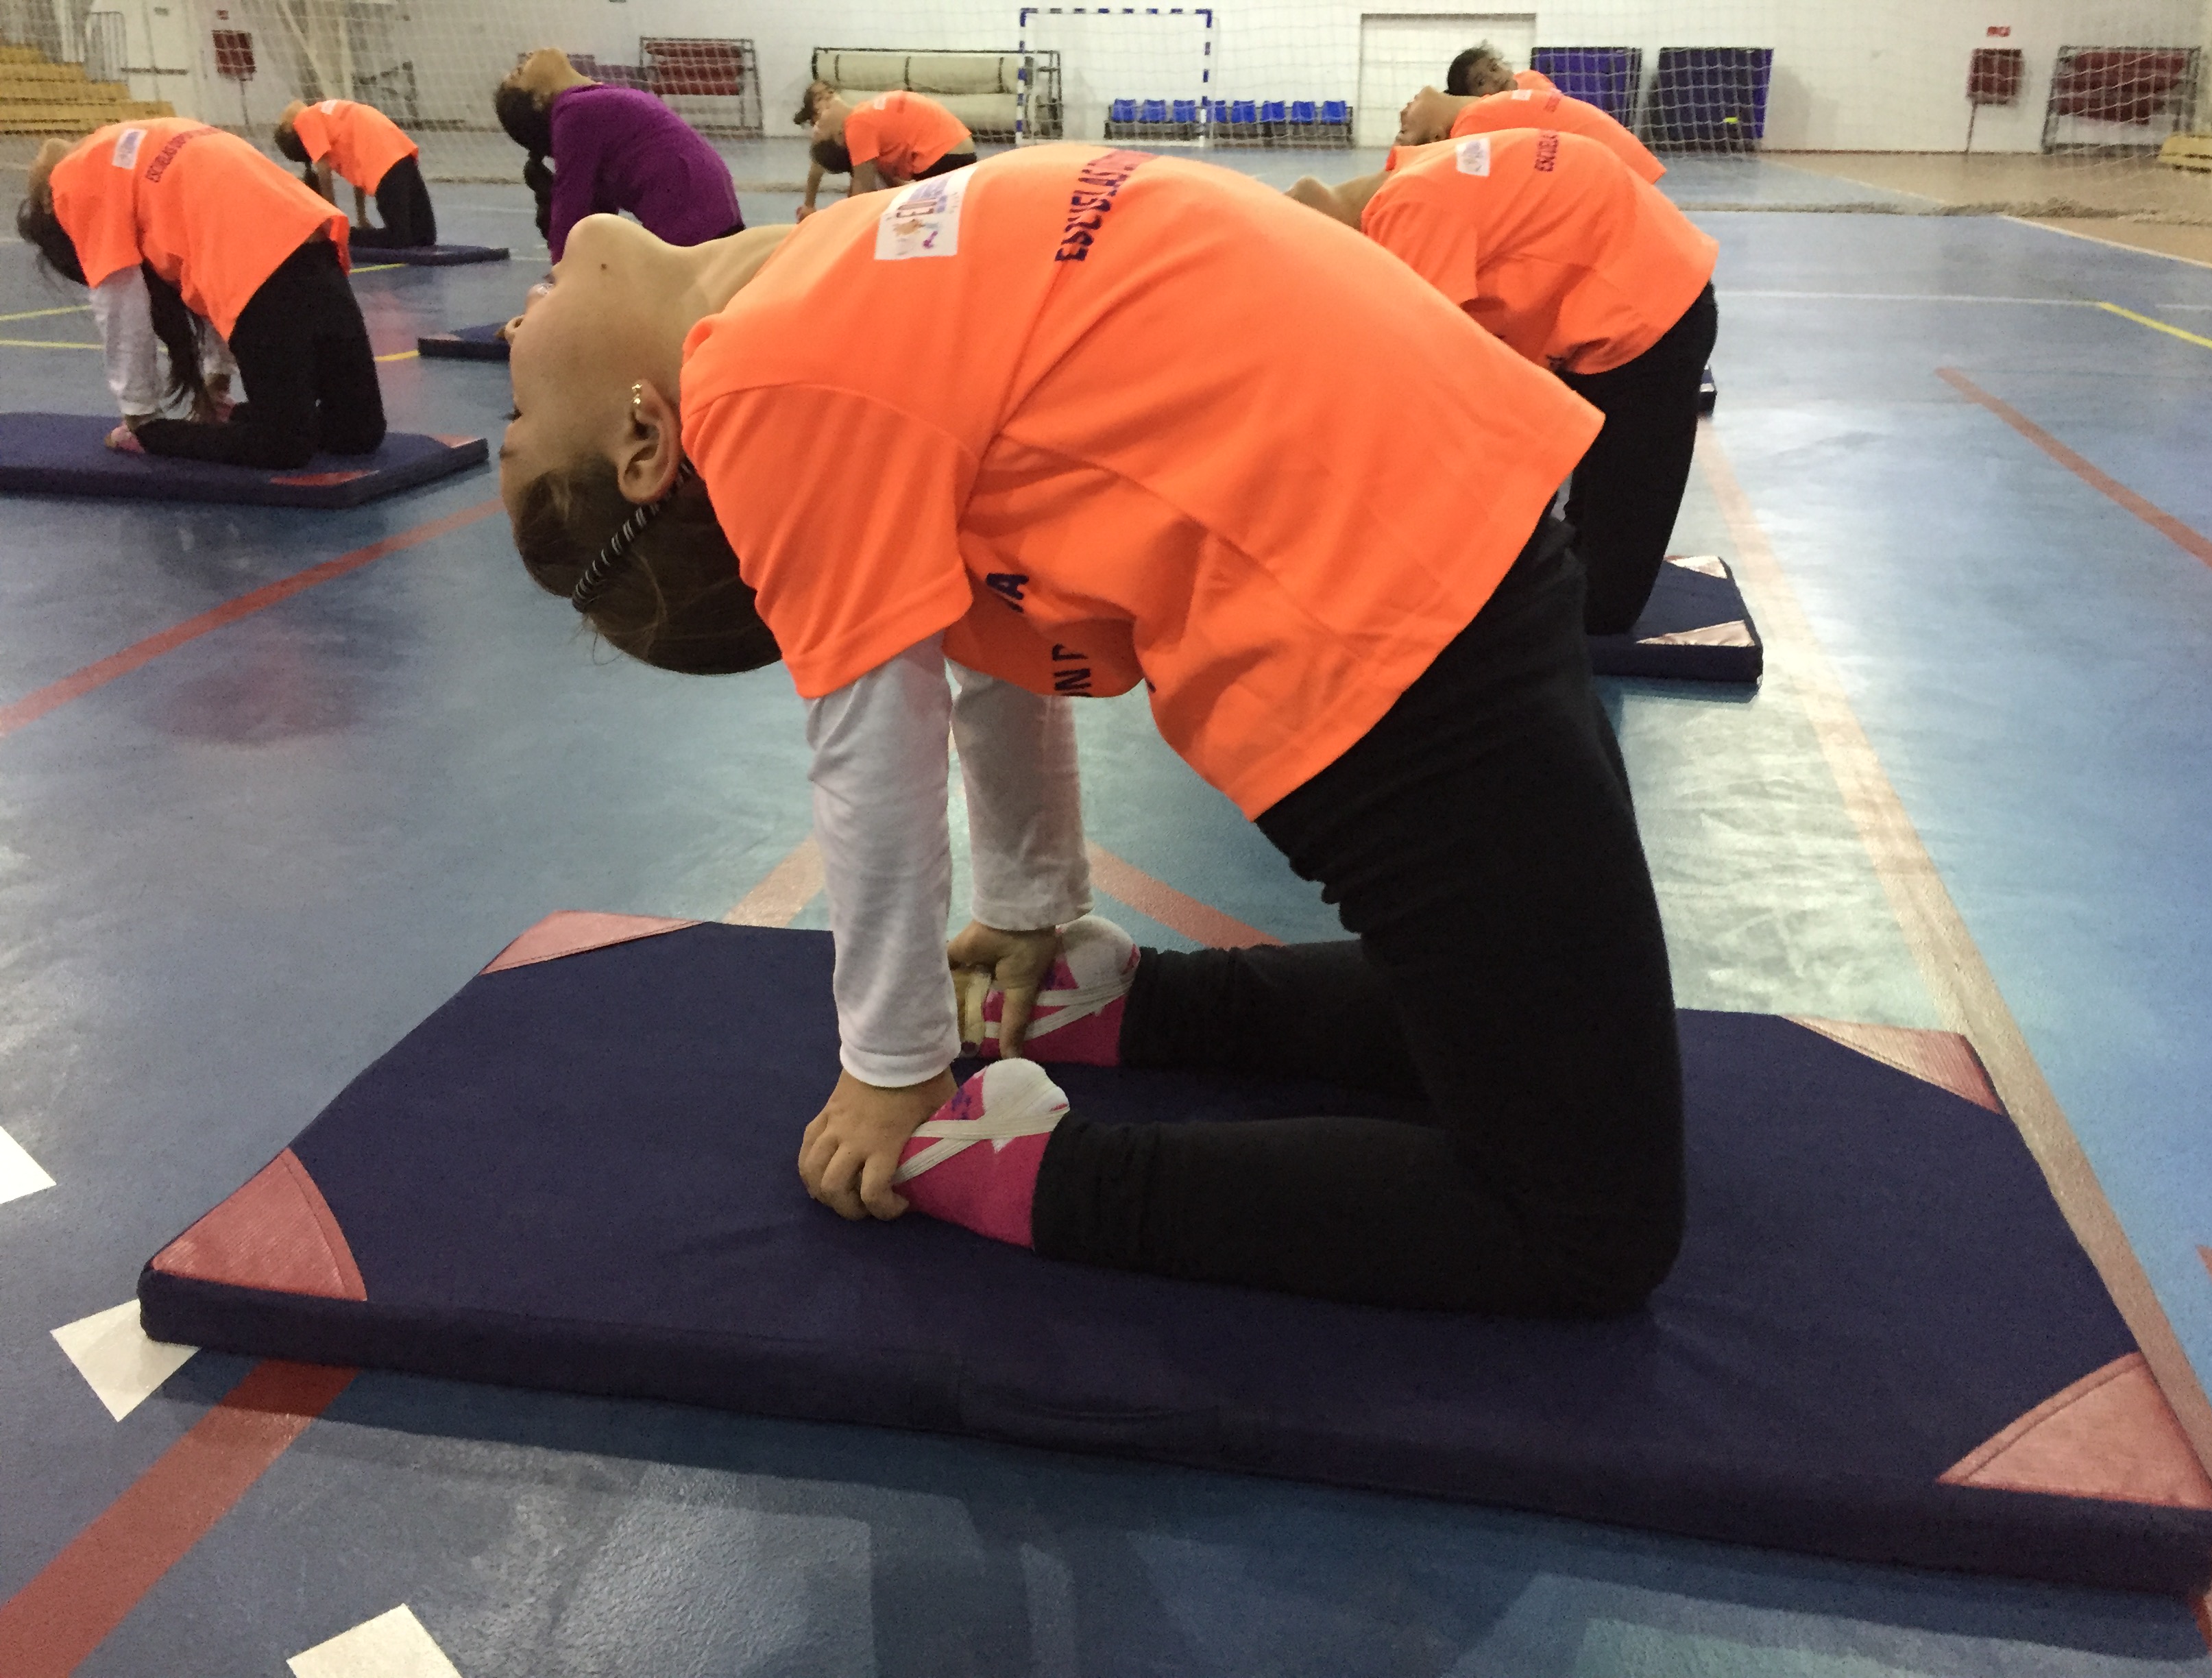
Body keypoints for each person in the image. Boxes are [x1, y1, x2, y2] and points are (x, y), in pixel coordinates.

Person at [498, 145, 1685, 1317]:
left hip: (1435, 532)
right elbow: (875, 738)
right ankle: (1027, 1170)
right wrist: (894, 1068)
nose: (510, 331)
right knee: (1583, 1222)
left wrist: (1027, 910)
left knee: (1534, 1019)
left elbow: (977, 641)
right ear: (643, 446)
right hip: (1386, 607)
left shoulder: (805, 285)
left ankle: (1112, 1010)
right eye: (517, 418)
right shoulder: (760, 379)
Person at [1290, 132, 1715, 635]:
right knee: (1574, 541)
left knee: (1602, 604)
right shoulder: (1411, 175)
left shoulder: (1408, 216)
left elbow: (1421, 387)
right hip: (1619, 297)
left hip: (1650, 318)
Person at [19, 121, 384, 468]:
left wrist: (139, 415)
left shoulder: (74, 184)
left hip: (269, 270)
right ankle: (254, 416)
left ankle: (161, 434)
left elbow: (120, 304)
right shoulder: (138, 138)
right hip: (313, 251)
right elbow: (209, 249)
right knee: (356, 431)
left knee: (285, 445)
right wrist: (217, 382)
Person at [494, 49, 742, 261]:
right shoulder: (575, 113)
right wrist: (562, 269)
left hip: (702, 214)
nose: (528, 56)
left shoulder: (586, 103)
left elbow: (596, 208)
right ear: (538, 99)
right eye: (520, 72)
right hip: (694, 218)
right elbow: (572, 202)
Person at [1398, 84, 1664, 184]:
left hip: (1617, 169)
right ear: (1436, 137)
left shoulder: (1478, 120)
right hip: (1621, 167)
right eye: (1405, 128)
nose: (1403, 109)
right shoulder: (1478, 120)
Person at [275, 97, 436, 250]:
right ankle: (350, 234)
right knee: (425, 236)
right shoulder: (326, 116)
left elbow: (324, 171)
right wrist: (361, 217)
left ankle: (345, 236)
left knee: (399, 239)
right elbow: (357, 176)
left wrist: (333, 220)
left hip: (385, 161)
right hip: (400, 151)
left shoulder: (305, 120)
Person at [795, 81, 975, 218]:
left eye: (830, 93)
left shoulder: (858, 122)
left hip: (946, 153)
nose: (830, 100)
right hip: (952, 150)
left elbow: (861, 193)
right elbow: (862, 188)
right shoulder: (859, 123)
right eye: (821, 100)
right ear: (838, 136)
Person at [1444, 44, 1555, 97]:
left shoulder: (1532, 79)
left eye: (1494, 68)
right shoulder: (1482, 121)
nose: (1496, 79)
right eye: (1482, 82)